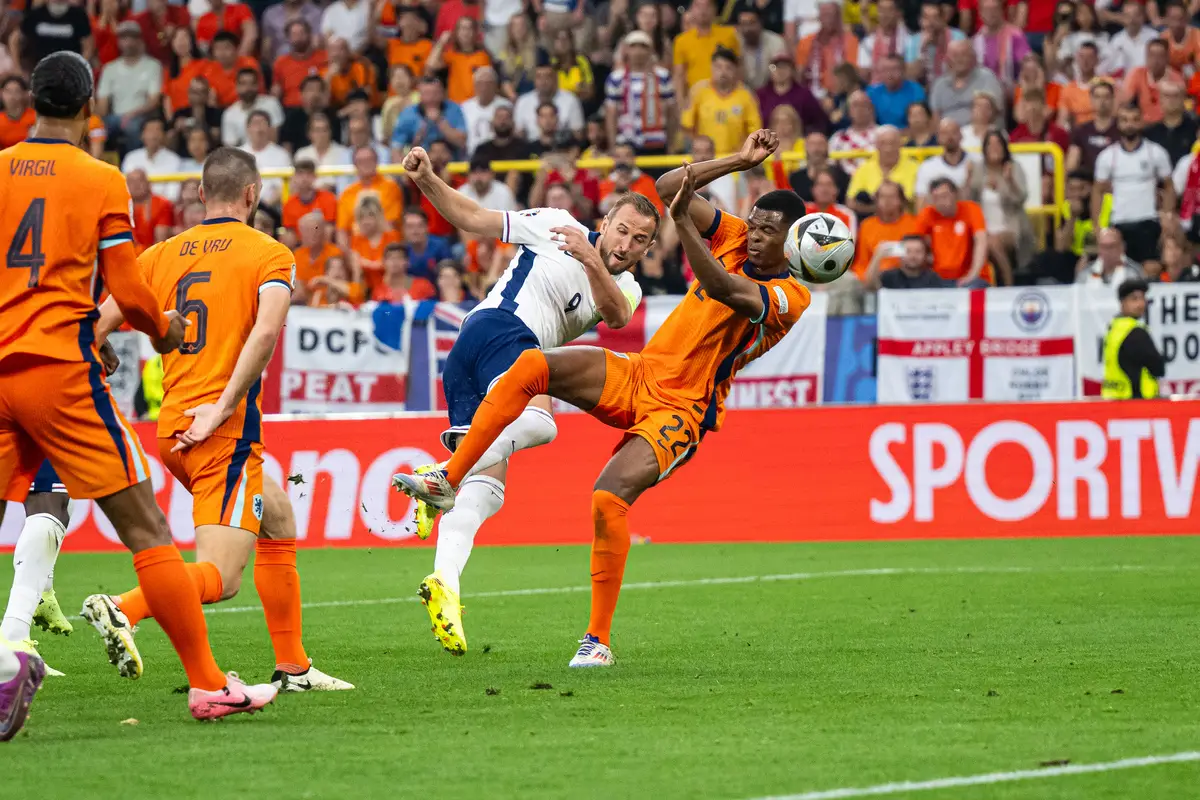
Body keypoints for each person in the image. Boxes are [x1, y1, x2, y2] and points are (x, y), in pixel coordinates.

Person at [392, 131, 810, 668]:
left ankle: (597, 641)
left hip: (683, 408)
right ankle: (448, 479)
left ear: (791, 244)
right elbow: (667, 186)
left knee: (606, 500)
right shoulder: (728, 232)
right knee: (533, 368)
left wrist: (681, 223)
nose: (752, 236)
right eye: (752, 224)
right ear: (608, 219)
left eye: (767, 231)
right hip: (638, 373)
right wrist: (739, 161)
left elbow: (721, 288)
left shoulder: (790, 296)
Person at [0, 51, 276, 721]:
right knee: (148, 529)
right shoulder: (101, 179)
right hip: (58, 372)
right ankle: (209, 685)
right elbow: (127, 288)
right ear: (90, 107)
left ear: (30, 102)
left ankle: (8, 653)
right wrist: (165, 329)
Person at [91, 147, 353, 694]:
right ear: (253, 194)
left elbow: (97, 323)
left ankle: (294, 668)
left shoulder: (161, 254)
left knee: (277, 515)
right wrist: (224, 406)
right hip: (220, 431)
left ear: (201, 193)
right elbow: (267, 331)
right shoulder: (270, 253)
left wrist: (101, 348)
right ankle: (124, 607)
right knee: (222, 578)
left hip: (172, 430)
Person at [393, 144, 655, 656]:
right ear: (605, 222)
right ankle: (443, 471)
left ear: (647, 249)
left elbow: (616, 316)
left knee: (486, 492)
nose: (626, 245)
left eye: (640, 240)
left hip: (487, 361)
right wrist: (426, 179)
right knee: (543, 424)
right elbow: (473, 216)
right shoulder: (556, 223)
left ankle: (444, 581)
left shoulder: (627, 287)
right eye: (622, 230)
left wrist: (590, 258)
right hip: (501, 331)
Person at [1094, 104, 1175, 268]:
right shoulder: (1107, 156)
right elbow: (1097, 191)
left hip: (1148, 222)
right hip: (1119, 223)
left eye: (1134, 120)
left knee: (1151, 268)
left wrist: (1167, 216)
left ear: (1142, 122)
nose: (1129, 124)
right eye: (1124, 120)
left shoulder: (1156, 152)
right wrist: (1097, 226)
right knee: (1119, 270)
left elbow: (1169, 187)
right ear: (1118, 123)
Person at [964, 130, 1031, 285]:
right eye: (990, 144)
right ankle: (995, 285)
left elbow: (1020, 199)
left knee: (992, 242)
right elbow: (966, 202)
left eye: (998, 144)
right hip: (983, 229)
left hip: (1010, 227)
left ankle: (1007, 285)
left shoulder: (1013, 167)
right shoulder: (978, 170)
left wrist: (1009, 182)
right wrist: (968, 179)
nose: (994, 148)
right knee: (988, 241)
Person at [605, 30, 678, 155]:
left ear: (650, 50)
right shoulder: (616, 78)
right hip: (626, 142)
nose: (638, 51)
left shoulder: (663, 76)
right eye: (633, 46)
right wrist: (612, 145)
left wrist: (671, 143)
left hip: (656, 140)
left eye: (643, 46)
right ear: (626, 50)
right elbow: (612, 114)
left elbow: (671, 111)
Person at [682, 47, 763, 155]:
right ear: (711, 67)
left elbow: (755, 131)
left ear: (736, 70)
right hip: (705, 159)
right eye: (718, 67)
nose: (723, 72)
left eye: (728, 68)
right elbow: (687, 126)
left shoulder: (746, 96)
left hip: (735, 159)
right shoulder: (698, 91)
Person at [95, 21, 161, 151]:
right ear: (119, 41)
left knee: (132, 126)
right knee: (95, 128)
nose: (128, 42)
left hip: (141, 115)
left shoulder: (153, 65)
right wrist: (96, 120)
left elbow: (154, 101)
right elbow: (102, 103)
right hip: (114, 118)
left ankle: (132, 160)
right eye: (124, 38)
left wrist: (132, 114)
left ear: (139, 40)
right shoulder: (109, 69)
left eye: (132, 37)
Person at [915, 177, 991, 285]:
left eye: (944, 196)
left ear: (955, 195)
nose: (941, 202)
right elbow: (914, 242)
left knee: (974, 286)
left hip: (971, 277)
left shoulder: (971, 209)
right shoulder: (927, 214)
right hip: (938, 278)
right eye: (936, 198)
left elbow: (981, 240)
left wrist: (973, 274)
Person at [1101, 278, 1165, 399]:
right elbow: (1158, 368)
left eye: (1142, 298)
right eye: (1134, 299)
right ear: (1122, 302)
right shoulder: (1136, 332)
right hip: (1136, 400)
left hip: (1113, 397)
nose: (1140, 304)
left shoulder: (1113, 327)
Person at [672, 0, 740, 102]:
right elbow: (679, 76)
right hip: (695, 100)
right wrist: (681, 104)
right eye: (698, 6)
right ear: (691, 10)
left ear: (714, 10)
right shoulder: (681, 41)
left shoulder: (729, 35)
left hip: (725, 99)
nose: (703, 10)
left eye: (707, 6)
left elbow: (738, 68)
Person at [850, 180, 918, 282]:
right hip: (874, 279)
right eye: (882, 197)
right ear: (876, 201)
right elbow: (862, 263)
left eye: (892, 197)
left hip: (906, 279)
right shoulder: (867, 225)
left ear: (901, 200)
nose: (887, 201)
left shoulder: (914, 224)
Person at [337, 146, 403, 247]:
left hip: (386, 246)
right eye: (361, 161)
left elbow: (390, 224)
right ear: (355, 165)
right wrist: (349, 254)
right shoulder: (347, 193)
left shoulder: (391, 187)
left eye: (369, 159)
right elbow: (341, 231)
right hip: (356, 248)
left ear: (377, 161)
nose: (366, 164)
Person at [846, 125, 918, 217]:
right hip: (872, 219)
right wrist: (877, 210)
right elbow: (850, 201)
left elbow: (920, 201)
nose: (888, 148)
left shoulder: (916, 168)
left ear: (900, 144)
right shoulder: (864, 169)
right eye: (883, 143)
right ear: (876, 146)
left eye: (893, 143)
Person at [796, 0, 860, 98]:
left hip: (842, 97)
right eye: (825, 15)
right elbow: (799, 76)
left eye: (831, 15)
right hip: (811, 97)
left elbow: (852, 76)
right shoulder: (806, 42)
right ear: (819, 16)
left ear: (838, 16)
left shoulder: (851, 41)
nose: (828, 20)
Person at [389, 76, 468, 154]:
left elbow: (462, 142)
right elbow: (395, 149)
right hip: (420, 160)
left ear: (442, 94)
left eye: (435, 93)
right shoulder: (408, 114)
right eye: (426, 93)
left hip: (452, 161)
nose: (431, 98)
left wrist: (440, 121)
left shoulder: (453, 109)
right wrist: (421, 130)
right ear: (419, 95)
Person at [514, 56, 586, 141]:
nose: (543, 81)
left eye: (548, 77)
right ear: (534, 80)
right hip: (531, 146)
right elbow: (518, 135)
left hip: (563, 146)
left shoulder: (571, 100)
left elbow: (578, 135)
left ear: (555, 79)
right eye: (539, 77)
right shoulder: (523, 101)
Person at [756, 53, 828, 135]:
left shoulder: (804, 95)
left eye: (784, 67)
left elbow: (819, 122)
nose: (780, 71)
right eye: (775, 67)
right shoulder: (760, 95)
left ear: (792, 70)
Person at [428, 17, 492, 105]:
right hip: (456, 104)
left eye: (469, 28)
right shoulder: (451, 55)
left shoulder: (483, 56)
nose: (466, 32)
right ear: (456, 32)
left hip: (476, 105)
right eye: (462, 28)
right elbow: (431, 64)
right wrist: (442, 42)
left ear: (475, 32)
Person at [914, 118, 975, 207]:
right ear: (938, 138)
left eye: (953, 132)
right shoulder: (927, 167)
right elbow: (921, 204)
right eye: (944, 133)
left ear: (961, 135)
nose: (950, 137)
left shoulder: (975, 163)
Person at [349, 194, 402, 298]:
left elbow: (393, 265)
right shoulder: (357, 239)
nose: (365, 221)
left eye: (370, 216)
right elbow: (356, 270)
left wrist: (366, 263)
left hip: (390, 290)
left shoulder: (392, 237)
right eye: (361, 217)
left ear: (378, 216)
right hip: (366, 290)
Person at [221, 67, 286, 148]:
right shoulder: (229, 114)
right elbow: (230, 147)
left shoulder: (271, 103)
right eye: (243, 84)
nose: (248, 88)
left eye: (252, 83)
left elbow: (274, 138)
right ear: (237, 86)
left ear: (258, 85)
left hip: (270, 152)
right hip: (242, 155)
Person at [904, 2, 965, 85]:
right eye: (926, 18)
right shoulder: (913, 41)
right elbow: (910, 75)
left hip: (952, 87)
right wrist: (922, 50)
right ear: (920, 20)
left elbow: (962, 70)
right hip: (924, 89)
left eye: (935, 17)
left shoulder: (958, 37)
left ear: (943, 19)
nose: (930, 23)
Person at [239, 110, 291, 207]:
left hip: (272, 208)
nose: (259, 129)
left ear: (270, 128)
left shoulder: (282, 154)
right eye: (255, 124)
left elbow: (283, 187)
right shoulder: (238, 154)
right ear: (248, 128)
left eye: (263, 123)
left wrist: (263, 207)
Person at [864, 233, 952, 289]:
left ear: (925, 255)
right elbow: (870, 286)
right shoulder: (889, 276)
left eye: (918, 251)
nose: (913, 256)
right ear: (899, 253)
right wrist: (877, 257)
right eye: (908, 251)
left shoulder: (932, 278)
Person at [1066, 79, 1117, 174]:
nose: (1102, 101)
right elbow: (1071, 165)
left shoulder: (1121, 130)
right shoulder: (1081, 131)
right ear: (1091, 99)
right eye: (1097, 97)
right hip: (1088, 180)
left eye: (1106, 97)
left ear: (1113, 99)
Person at [857, 0, 912, 84]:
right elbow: (863, 73)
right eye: (881, 10)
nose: (884, 15)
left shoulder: (908, 40)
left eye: (889, 10)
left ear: (898, 13)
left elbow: (910, 72)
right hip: (875, 88)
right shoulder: (868, 42)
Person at [462, 66, 512, 157]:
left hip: (498, 155)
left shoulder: (506, 105)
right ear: (474, 85)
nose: (484, 87)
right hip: (470, 155)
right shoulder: (465, 107)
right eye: (480, 83)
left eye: (489, 83)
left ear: (496, 86)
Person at [866, 53, 925, 129]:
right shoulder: (871, 92)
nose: (889, 74)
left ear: (903, 70)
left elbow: (920, 123)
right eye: (885, 69)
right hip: (878, 133)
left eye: (894, 69)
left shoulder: (915, 90)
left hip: (908, 134)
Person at [1145, 80, 1197, 165]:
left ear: (1183, 99)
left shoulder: (1195, 129)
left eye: (1176, 96)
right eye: (1167, 96)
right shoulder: (1150, 133)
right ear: (1160, 99)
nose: (1171, 100)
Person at [737, 7, 787, 90]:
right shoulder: (735, 42)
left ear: (760, 23)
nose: (747, 29)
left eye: (751, 23)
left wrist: (772, 68)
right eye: (743, 24)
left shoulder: (776, 41)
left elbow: (778, 69)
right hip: (742, 92)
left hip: (770, 91)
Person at [1077, 227, 1146, 286]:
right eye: (1103, 247)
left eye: (1112, 246)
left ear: (1122, 247)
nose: (1107, 251)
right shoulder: (1087, 272)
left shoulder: (1134, 272)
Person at [0, 76, 35, 149]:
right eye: (8, 91)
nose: (12, 96)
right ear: (1, 93)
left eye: (17, 91)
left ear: (24, 94)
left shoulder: (35, 118)